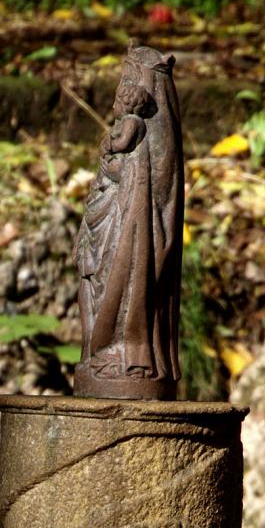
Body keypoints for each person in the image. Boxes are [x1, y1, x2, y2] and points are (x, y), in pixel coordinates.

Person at [73, 45, 183, 399]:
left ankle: (125, 355)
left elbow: (142, 179)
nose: (117, 100)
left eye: (126, 85)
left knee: (118, 278)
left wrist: (114, 161)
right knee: (92, 282)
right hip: (109, 215)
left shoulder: (147, 130)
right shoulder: (136, 128)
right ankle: (100, 351)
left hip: (128, 226)